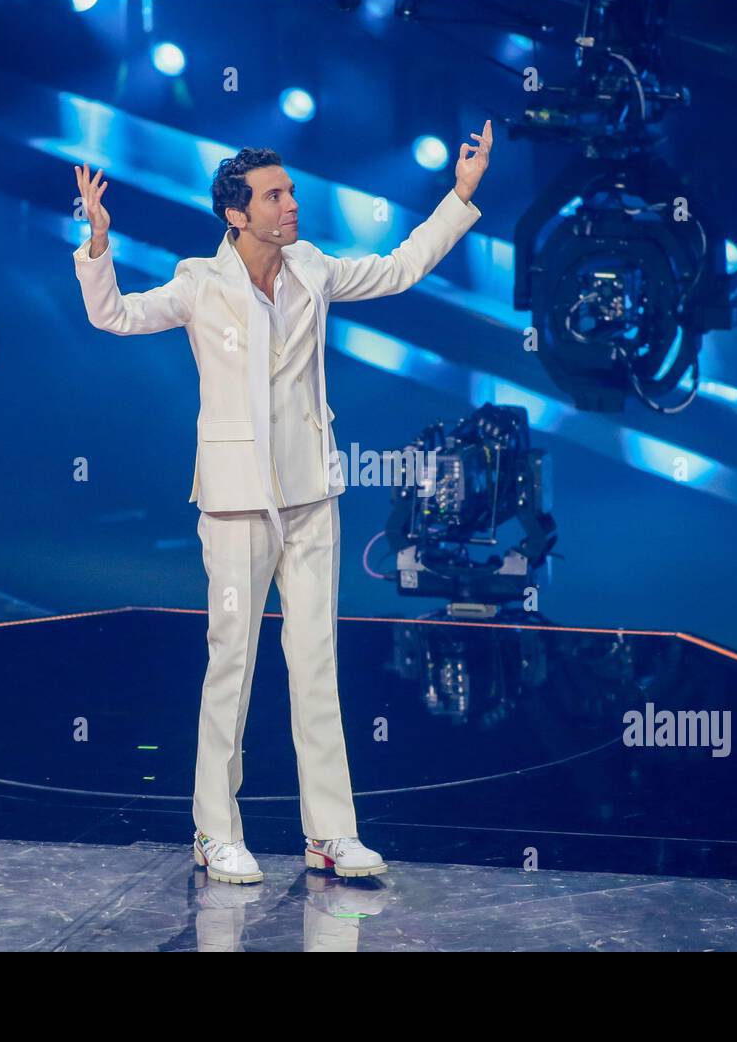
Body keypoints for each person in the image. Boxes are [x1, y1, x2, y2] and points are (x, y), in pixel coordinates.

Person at [71, 123, 492, 883]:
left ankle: (331, 835)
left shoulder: (313, 269)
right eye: (275, 195)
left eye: (290, 191)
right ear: (238, 214)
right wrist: (98, 247)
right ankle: (213, 832)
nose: (291, 204)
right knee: (230, 664)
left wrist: (459, 197)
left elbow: (398, 269)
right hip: (234, 503)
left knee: (316, 665)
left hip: (310, 496)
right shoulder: (199, 281)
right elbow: (116, 316)